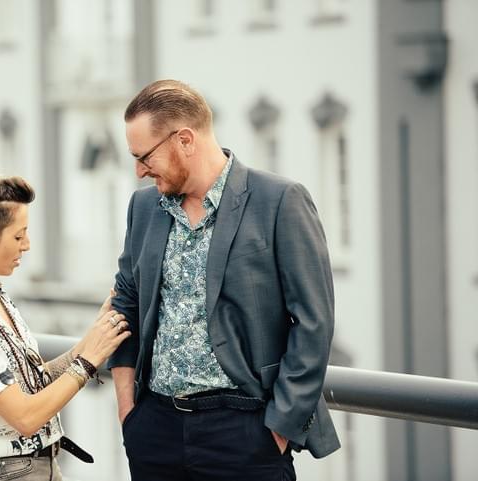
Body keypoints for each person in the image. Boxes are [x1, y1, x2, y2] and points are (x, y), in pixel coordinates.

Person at [107, 79, 341, 481]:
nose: (139, 171)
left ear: (184, 140)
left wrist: (279, 428)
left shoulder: (279, 200)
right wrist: (128, 411)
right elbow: (125, 303)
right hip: (155, 431)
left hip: (245, 432)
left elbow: (313, 321)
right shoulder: (143, 206)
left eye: (144, 156)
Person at [0, 163, 131, 481]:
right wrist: (88, 361)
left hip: (31, 468)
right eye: (19, 235)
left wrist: (93, 338)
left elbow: (32, 384)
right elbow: (25, 416)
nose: (27, 244)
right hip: (5, 473)